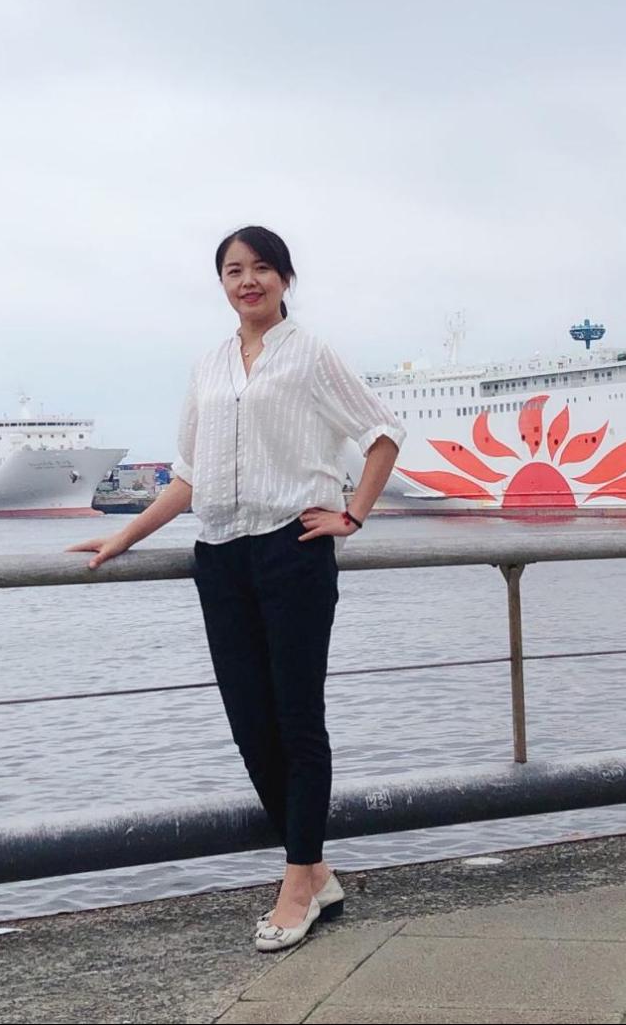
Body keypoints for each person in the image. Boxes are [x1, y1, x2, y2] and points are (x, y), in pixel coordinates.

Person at [68, 225, 404, 952]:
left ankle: (297, 884)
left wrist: (352, 514)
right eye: (232, 270)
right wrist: (124, 537)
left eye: (260, 268)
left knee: (297, 720)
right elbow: (190, 476)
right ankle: (316, 870)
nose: (247, 281)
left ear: (284, 278)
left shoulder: (310, 354)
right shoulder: (210, 365)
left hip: (293, 549)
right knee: (250, 724)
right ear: (221, 283)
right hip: (220, 557)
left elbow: (382, 432)